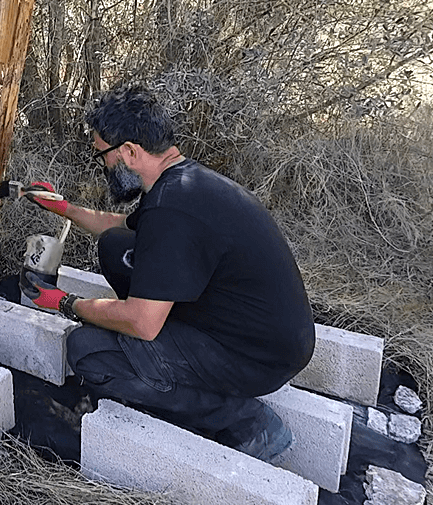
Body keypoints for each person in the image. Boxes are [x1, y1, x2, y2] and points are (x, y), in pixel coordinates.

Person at [19, 84, 316, 463]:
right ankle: (179, 353)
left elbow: (142, 324)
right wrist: (63, 208)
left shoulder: (172, 211)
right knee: (114, 246)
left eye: (103, 156)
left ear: (129, 151)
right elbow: (120, 226)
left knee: (87, 351)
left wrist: (66, 302)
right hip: (253, 330)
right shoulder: (184, 184)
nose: (104, 166)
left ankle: (248, 421)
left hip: (256, 358)